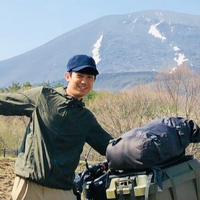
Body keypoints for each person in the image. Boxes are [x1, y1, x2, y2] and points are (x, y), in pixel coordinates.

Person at [0, 54, 113, 200]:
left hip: (62, 191)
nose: (84, 81)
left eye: (90, 77)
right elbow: (6, 102)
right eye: (79, 75)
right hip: (29, 186)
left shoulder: (86, 118)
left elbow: (110, 147)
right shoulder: (43, 97)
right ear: (68, 76)